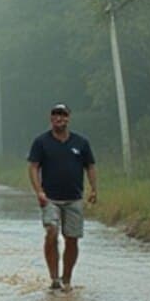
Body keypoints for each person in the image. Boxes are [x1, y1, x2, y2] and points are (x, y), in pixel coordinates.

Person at [27, 102, 96, 290]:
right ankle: (54, 277)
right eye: (56, 115)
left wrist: (93, 189)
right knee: (51, 232)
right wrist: (39, 191)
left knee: (72, 239)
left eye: (63, 115)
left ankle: (67, 279)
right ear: (51, 119)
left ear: (68, 118)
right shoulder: (41, 142)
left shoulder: (81, 143)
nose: (60, 118)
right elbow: (33, 167)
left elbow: (90, 166)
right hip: (50, 198)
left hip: (74, 198)